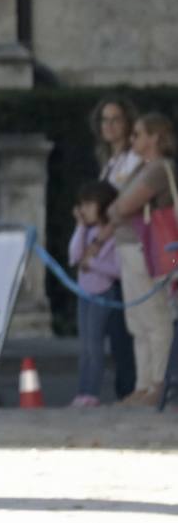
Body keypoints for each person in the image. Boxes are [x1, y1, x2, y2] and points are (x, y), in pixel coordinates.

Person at [103, 112, 177, 407]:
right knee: (138, 319)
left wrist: (117, 208)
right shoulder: (143, 168)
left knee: (155, 316)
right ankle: (143, 384)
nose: (132, 139)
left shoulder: (159, 169)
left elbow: (124, 205)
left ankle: (158, 383)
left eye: (138, 134)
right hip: (132, 248)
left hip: (147, 248)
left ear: (154, 138)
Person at [91, 96, 141, 400]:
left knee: (132, 323)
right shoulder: (109, 162)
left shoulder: (133, 161)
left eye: (115, 120)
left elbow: (122, 206)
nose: (109, 126)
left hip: (125, 244)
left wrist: (99, 238)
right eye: (104, 120)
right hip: (111, 251)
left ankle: (134, 386)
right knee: (117, 325)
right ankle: (126, 386)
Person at [68, 181, 123, 407]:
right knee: (85, 345)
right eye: (82, 204)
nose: (84, 209)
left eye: (89, 204)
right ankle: (82, 391)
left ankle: (91, 392)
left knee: (95, 344)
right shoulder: (88, 231)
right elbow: (74, 256)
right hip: (85, 293)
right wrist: (80, 227)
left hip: (103, 293)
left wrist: (94, 265)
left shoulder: (113, 236)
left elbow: (117, 269)